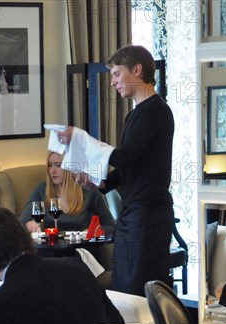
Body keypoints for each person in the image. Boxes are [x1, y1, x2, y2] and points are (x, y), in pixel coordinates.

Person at [58, 45, 175, 297]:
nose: (112, 82)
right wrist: (96, 182)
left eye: (117, 74)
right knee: (124, 288)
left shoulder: (157, 112)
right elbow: (126, 167)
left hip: (149, 217)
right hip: (132, 215)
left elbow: (127, 156)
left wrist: (81, 139)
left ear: (137, 70)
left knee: (139, 291)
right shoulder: (134, 115)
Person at [19, 151, 115, 235]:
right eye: (49, 165)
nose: (53, 171)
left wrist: (93, 231)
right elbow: (21, 223)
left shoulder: (88, 190)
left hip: (80, 248)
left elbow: (111, 226)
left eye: (58, 165)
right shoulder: (41, 189)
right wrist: (29, 225)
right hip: (50, 248)